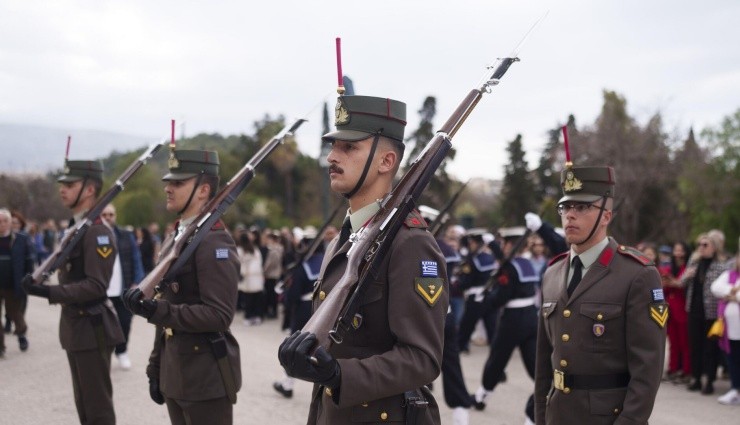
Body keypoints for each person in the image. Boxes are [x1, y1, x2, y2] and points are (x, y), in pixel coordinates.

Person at [278, 94, 449, 424]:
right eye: (333, 146)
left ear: (386, 162)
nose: (331, 157)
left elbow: (422, 358)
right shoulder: (345, 239)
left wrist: (341, 374)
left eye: (349, 148)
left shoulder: (410, 244)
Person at [534, 165, 667, 424]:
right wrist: (541, 417)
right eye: (566, 207)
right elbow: (543, 363)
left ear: (606, 216)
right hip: (558, 414)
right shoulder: (552, 273)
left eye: (582, 207)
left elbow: (647, 371)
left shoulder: (637, 275)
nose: (570, 216)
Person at [123, 149, 242, 425]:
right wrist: (156, 367)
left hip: (205, 378)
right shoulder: (176, 238)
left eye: (178, 183)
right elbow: (165, 308)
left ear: (203, 190)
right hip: (175, 372)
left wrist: (155, 310)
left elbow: (219, 315)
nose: (168, 188)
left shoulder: (215, 242)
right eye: (169, 182)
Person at [24, 159, 124, 424]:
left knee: (97, 409)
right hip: (78, 328)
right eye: (62, 184)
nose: (62, 189)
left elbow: (96, 286)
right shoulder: (78, 227)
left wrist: (48, 292)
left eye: (70, 184)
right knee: (85, 407)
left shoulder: (98, 232)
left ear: (90, 189)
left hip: (93, 327)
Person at [474, 226, 539, 424]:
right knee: (534, 363)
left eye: (503, 243)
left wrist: (485, 299)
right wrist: (492, 244)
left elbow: (501, 296)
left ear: (510, 244)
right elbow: (505, 261)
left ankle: (482, 395)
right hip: (531, 317)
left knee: (497, 358)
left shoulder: (509, 267)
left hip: (513, 319)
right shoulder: (525, 263)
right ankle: (544, 398)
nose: (502, 246)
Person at [273, 226, 325, 399]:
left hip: (304, 310)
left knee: (294, 348)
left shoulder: (303, 268)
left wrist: (286, 300)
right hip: (324, 310)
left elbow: (293, 294)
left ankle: (287, 384)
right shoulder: (328, 262)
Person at [680, 231, 731, 395]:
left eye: (705, 245)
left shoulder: (721, 266)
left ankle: (709, 380)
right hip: (694, 310)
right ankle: (696, 378)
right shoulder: (694, 262)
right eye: (699, 245)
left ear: (714, 248)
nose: (701, 248)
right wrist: (686, 276)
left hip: (712, 313)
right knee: (695, 346)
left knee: (711, 349)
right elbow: (681, 283)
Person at [101, 204, 144, 370]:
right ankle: (105, 353)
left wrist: (137, 282)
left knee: (125, 322)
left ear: (115, 216)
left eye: (111, 214)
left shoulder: (126, 236)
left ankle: (122, 351)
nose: (108, 217)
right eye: (104, 214)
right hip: (102, 290)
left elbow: (136, 259)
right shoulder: (94, 235)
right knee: (104, 325)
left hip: (123, 288)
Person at [0, 208, 35, 357]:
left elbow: (29, 261)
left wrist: (29, 280)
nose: (1, 224)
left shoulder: (21, 239)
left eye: (5, 221)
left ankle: (21, 334)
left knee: (15, 313)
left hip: (13, 285)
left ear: (10, 223)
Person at [457, 228, 498, 353]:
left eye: (472, 243)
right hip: (489, 295)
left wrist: (460, 282)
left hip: (475, 296)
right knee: (491, 325)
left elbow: (466, 280)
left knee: (467, 325)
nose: (471, 245)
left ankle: (460, 346)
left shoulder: (471, 259)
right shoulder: (489, 257)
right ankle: (495, 348)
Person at [710, 246, 740, 405]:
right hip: (730, 328)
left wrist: (735, 296)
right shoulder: (730, 275)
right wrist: (731, 291)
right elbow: (715, 287)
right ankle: (735, 389)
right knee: (733, 359)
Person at [662, 241, 692, 382]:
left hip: (683, 309)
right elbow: (666, 287)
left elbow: (682, 284)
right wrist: (668, 282)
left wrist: (673, 282)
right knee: (673, 342)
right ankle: (672, 369)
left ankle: (686, 371)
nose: (678, 253)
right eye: (676, 250)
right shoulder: (669, 269)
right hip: (671, 310)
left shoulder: (688, 268)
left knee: (684, 342)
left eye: (680, 250)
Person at [237, 232, 264, 326]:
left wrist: (243, 272)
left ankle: (248, 317)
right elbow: (259, 263)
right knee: (256, 298)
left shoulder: (240, 250)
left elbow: (238, 264)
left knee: (248, 299)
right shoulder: (255, 249)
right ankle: (256, 317)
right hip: (256, 277)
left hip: (247, 278)